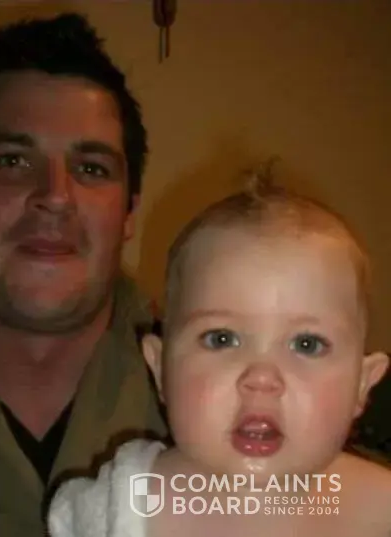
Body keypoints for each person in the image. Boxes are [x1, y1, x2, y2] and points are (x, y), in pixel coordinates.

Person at [48, 173, 391, 536]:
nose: (261, 378)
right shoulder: (114, 506)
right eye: (222, 339)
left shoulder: (380, 510)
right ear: (160, 368)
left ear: (362, 384)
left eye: (307, 344)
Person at [0, 12, 166, 537]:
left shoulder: (234, 404)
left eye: (91, 169)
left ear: (128, 214)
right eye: (13, 161)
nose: (55, 196)